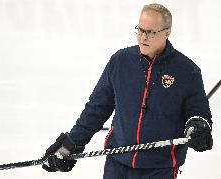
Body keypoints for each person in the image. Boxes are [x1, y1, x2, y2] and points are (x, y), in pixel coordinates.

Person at [41, 3, 213, 179]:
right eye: (140, 30)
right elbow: (97, 108)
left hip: (159, 168)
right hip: (118, 162)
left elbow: (199, 113)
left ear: (167, 32)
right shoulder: (121, 61)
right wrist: (71, 143)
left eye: (151, 32)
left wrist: (198, 126)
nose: (143, 37)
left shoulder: (186, 71)